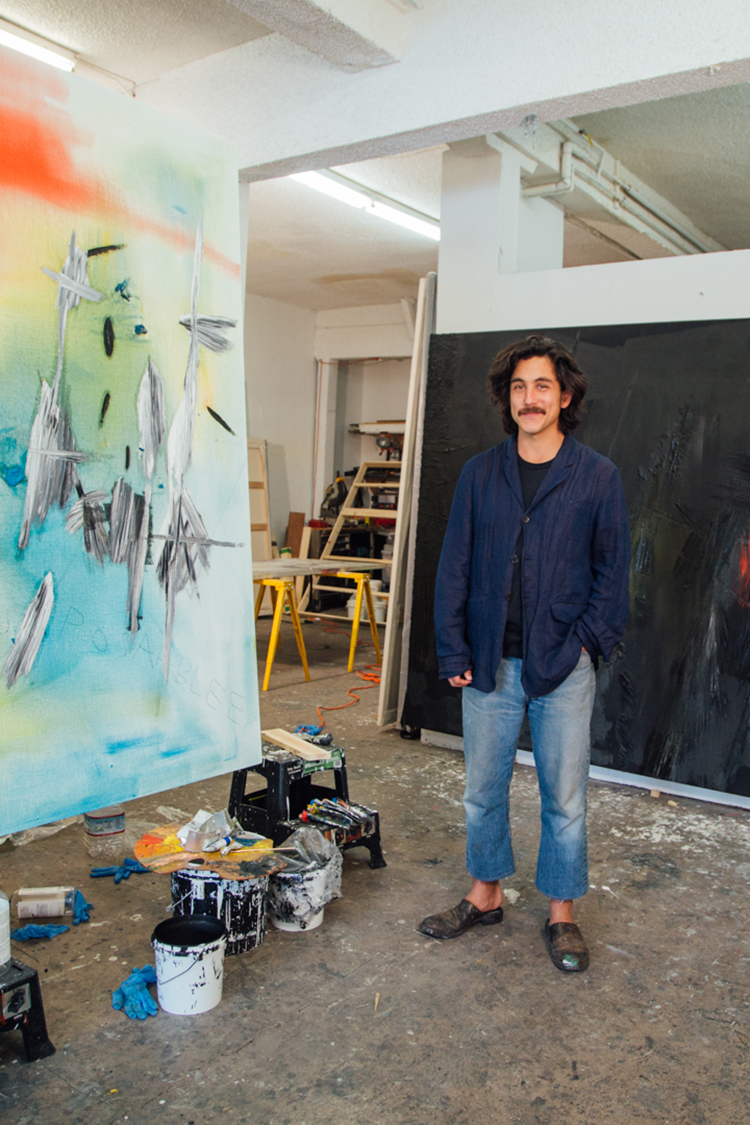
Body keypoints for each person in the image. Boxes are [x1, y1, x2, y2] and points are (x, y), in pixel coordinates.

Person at [417, 334, 630, 972]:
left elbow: (612, 574)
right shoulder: (482, 473)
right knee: (482, 791)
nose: (529, 399)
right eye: (518, 387)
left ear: (565, 397)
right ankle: (485, 895)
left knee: (564, 796)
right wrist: (453, 645)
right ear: (506, 399)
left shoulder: (597, 476)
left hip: (563, 664)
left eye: (542, 387)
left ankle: (561, 914)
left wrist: (585, 642)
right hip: (488, 663)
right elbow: (453, 565)